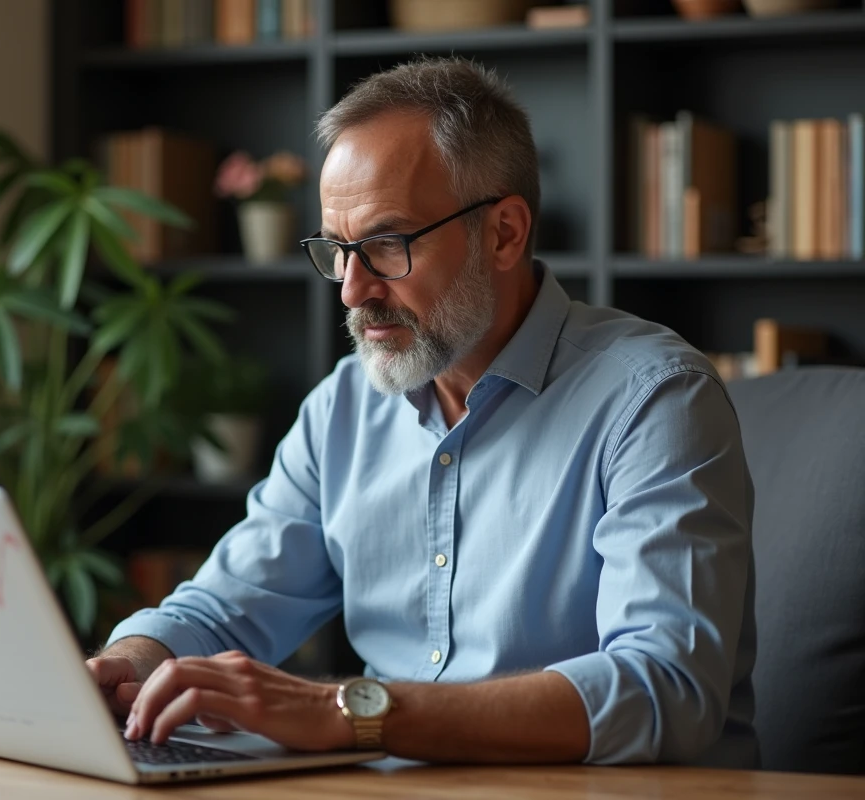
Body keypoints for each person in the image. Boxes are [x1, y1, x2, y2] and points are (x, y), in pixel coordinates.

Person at [86, 55, 758, 768]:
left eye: (386, 244)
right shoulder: (342, 409)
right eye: (338, 250)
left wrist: (349, 713)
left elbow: (665, 688)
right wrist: (128, 662)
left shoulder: (653, 399)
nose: (351, 291)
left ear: (503, 233)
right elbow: (226, 608)